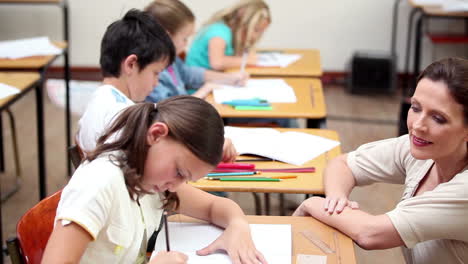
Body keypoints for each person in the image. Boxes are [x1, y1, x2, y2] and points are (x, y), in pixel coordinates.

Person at [42, 96, 268, 264]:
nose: (176, 186)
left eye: (185, 179)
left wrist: (238, 226)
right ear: (156, 134)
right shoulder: (98, 184)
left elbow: (214, 206)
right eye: (179, 172)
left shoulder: (151, 177)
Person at [293, 57, 468, 264]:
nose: (418, 125)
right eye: (415, 108)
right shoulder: (423, 148)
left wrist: (313, 203)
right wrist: (335, 201)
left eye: (438, 118)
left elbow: (370, 234)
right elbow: (342, 164)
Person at [75, 9, 237, 162]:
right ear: (131, 64)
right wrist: (210, 146)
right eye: (156, 72)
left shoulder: (104, 100)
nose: (157, 81)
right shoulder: (123, 118)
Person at [144, 0, 249, 102]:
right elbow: (168, 112)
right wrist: (205, 90)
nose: (186, 44)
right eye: (184, 39)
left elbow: (188, 74)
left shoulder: (170, 59)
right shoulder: (151, 72)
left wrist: (229, 78)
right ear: (166, 37)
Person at [186, 0, 270, 70]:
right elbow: (217, 63)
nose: (255, 36)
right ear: (242, 22)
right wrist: (247, 60)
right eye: (256, 30)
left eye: (261, 31)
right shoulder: (219, 31)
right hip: (199, 86)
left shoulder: (232, 32)